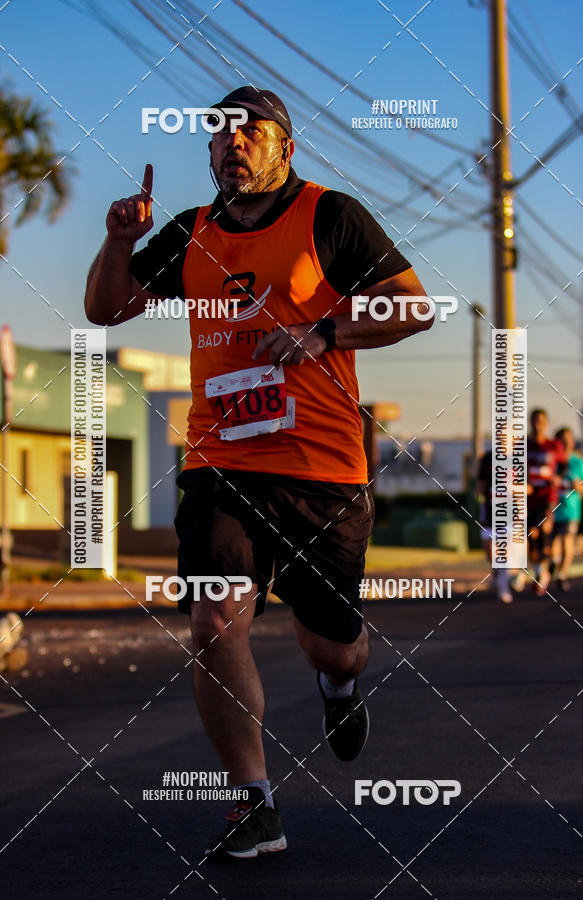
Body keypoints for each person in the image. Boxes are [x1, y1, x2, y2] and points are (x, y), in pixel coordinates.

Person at [84, 86, 432, 859]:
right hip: (221, 456)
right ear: (208, 153)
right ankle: (255, 805)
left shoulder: (330, 216)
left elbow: (413, 308)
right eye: (221, 135)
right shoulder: (191, 232)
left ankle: (340, 686)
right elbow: (108, 311)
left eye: (252, 133)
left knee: (330, 644)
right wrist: (116, 242)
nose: (233, 144)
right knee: (213, 618)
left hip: (321, 467)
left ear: (285, 149)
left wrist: (322, 331)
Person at [521, 409, 567, 596]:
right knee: (532, 535)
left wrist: (558, 476)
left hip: (548, 497)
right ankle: (542, 570)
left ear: (546, 423)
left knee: (543, 529)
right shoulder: (524, 445)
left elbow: (563, 464)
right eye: (534, 421)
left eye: (540, 421)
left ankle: (544, 571)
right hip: (529, 497)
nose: (537, 424)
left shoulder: (554, 445)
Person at [551, 427, 583, 590]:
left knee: (567, 540)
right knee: (551, 544)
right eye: (562, 439)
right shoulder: (552, 460)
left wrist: (579, 486)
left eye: (569, 438)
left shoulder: (578, 462)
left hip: (571, 511)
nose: (566, 442)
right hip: (551, 509)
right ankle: (554, 566)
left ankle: (562, 575)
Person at [476, 448, 513, 604]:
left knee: (503, 552)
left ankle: (503, 587)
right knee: (489, 550)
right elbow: (480, 482)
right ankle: (497, 572)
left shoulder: (518, 458)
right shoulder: (487, 458)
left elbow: (528, 485)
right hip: (489, 509)